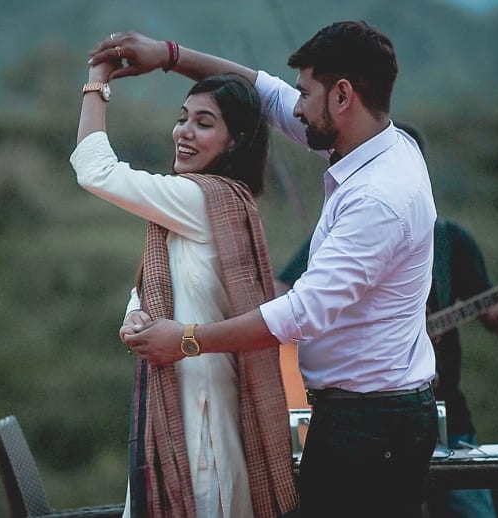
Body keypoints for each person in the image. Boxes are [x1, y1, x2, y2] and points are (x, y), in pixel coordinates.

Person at [92, 21, 440, 517]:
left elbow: (303, 313)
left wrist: (188, 339)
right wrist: (169, 55)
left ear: (342, 97)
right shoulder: (377, 144)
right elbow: (267, 95)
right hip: (363, 417)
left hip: (371, 426)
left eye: (306, 93)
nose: (296, 107)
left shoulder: (380, 198)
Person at [274, 124, 498, 518]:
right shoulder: (356, 221)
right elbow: (285, 293)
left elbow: (495, 319)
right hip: (365, 417)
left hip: (447, 416)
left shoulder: (453, 240)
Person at [70, 60, 298, 517]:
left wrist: (97, 80)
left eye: (204, 123)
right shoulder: (217, 201)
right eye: (182, 118)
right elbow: (166, 283)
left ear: (235, 141)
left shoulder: (200, 198)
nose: (184, 132)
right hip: (197, 399)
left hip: (203, 415)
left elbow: (95, 171)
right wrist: (135, 318)